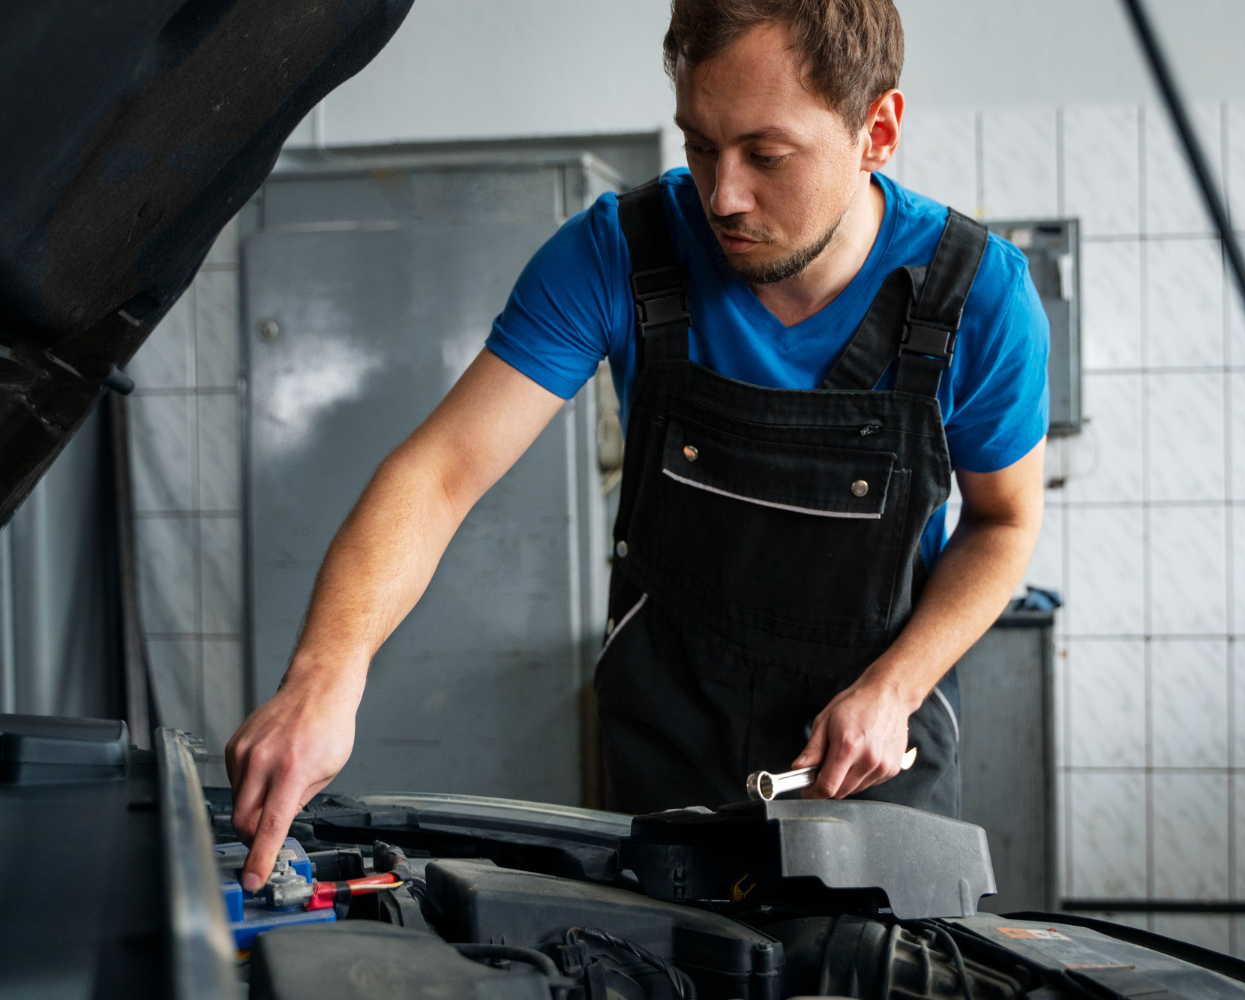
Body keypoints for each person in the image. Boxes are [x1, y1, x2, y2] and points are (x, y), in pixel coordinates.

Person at [226, 0, 1048, 892]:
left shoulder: (979, 300)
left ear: (876, 130)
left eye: (766, 155)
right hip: (669, 759)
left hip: (872, 757)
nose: (723, 196)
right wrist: (326, 673)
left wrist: (896, 687)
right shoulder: (620, 254)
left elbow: (1003, 524)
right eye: (699, 145)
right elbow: (439, 473)